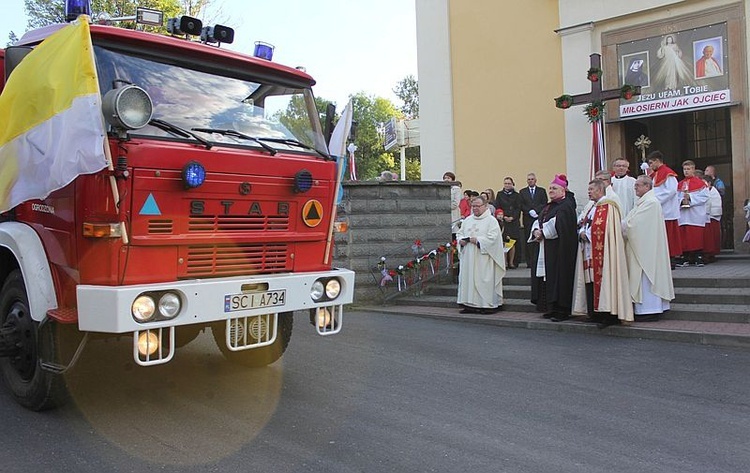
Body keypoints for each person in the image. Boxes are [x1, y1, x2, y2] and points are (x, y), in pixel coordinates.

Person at [572, 179, 633, 327]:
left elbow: (605, 229)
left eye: (591, 189)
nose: (589, 192)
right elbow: (584, 223)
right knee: (591, 281)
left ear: (600, 190)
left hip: (604, 253)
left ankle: (608, 315)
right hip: (589, 250)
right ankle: (595, 313)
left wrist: (587, 234)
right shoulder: (592, 206)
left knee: (604, 280)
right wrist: (581, 232)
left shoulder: (608, 206)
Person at [622, 175, 675, 320]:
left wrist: (622, 226)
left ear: (647, 186)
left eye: (638, 185)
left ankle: (650, 311)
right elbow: (630, 220)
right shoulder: (642, 202)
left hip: (647, 251)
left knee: (647, 278)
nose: (635, 188)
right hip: (643, 248)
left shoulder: (651, 203)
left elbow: (635, 225)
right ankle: (645, 310)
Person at [528, 174, 577, 321]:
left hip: (559, 250)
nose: (551, 190)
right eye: (550, 188)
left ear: (563, 191)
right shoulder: (549, 206)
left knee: (559, 278)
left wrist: (543, 232)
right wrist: (536, 230)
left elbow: (558, 224)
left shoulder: (566, 206)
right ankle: (551, 308)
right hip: (546, 247)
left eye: (554, 188)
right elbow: (539, 220)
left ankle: (562, 310)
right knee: (548, 278)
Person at [456, 195, 506, 314]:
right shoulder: (468, 220)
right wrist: (461, 240)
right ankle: (469, 305)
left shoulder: (491, 221)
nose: (475, 208)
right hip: (468, 256)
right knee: (469, 280)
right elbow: (460, 233)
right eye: (473, 206)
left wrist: (478, 240)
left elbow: (493, 239)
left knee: (483, 280)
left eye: (478, 206)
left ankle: (487, 305)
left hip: (484, 257)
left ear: (485, 206)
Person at [647, 151, 682, 268]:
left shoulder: (668, 174)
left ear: (657, 161)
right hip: (659, 209)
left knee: (669, 236)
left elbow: (671, 191)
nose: (650, 166)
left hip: (667, 210)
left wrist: (656, 199)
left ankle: (671, 259)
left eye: (651, 163)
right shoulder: (656, 174)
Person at [677, 160, 710, 267]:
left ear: (693, 170)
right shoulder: (680, 184)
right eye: (685, 169)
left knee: (696, 236)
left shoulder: (701, 183)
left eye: (689, 169)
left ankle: (698, 257)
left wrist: (690, 198)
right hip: (684, 215)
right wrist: (681, 201)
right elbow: (675, 198)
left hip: (695, 214)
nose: (686, 171)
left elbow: (705, 197)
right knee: (684, 237)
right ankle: (685, 257)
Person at [519, 173, 548, 268]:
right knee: (528, 239)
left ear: (535, 180)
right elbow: (521, 204)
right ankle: (529, 262)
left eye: (532, 179)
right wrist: (529, 211)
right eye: (529, 179)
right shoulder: (522, 192)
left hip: (538, 218)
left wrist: (537, 211)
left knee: (537, 239)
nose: (530, 181)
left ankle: (537, 261)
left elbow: (544, 203)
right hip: (527, 219)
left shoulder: (541, 191)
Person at [495, 177, 522, 269]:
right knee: (504, 242)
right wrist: (504, 216)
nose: (507, 185)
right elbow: (498, 206)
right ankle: (505, 262)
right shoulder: (500, 194)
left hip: (513, 221)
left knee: (512, 242)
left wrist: (513, 217)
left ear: (512, 184)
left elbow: (518, 208)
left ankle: (512, 262)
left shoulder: (517, 195)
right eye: (505, 183)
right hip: (503, 221)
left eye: (509, 183)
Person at [702, 175, 722, 263]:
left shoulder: (713, 192)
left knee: (712, 237)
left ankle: (710, 254)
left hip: (712, 217)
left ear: (709, 183)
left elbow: (714, 203)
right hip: (706, 218)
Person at [443, 171, 462, 240]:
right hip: (444, 217)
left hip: (453, 215)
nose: (446, 180)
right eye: (445, 178)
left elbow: (455, 204)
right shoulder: (442, 189)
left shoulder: (456, 189)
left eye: (448, 178)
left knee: (453, 235)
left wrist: (444, 206)